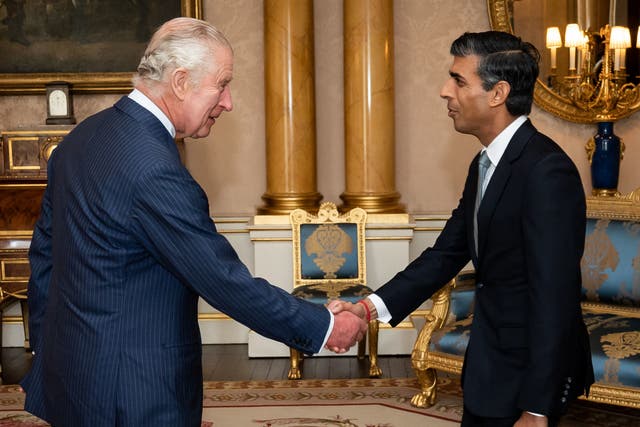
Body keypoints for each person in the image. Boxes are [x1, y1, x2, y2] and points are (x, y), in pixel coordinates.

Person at [21, 17, 366, 427]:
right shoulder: (153, 169)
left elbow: (44, 257)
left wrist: (46, 349)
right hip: (133, 391)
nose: (228, 102)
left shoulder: (81, 139)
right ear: (181, 82)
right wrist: (324, 326)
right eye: (222, 84)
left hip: (74, 376)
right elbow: (222, 280)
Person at [330, 31, 594, 426]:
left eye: (458, 80)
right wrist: (368, 307)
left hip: (526, 375)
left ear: (497, 93)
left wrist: (537, 409)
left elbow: (555, 297)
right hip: (491, 362)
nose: (444, 91)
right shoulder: (485, 164)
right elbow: (445, 254)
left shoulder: (545, 171)